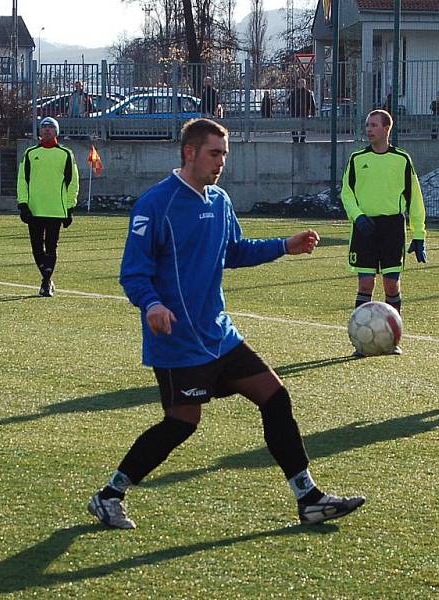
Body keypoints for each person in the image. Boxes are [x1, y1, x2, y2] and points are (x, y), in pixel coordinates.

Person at [87, 118, 365, 529]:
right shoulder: (155, 205)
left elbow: (233, 251)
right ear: (190, 152)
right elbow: (134, 273)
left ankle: (308, 497)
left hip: (219, 334)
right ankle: (110, 495)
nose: (220, 163)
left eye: (224, 155)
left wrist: (283, 247)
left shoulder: (219, 201)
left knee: (275, 396)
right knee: (182, 423)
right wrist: (152, 306)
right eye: (214, 153)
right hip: (178, 340)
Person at [340, 109, 427, 355]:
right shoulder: (357, 159)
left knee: (391, 285)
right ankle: (361, 343)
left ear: (387, 128)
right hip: (364, 228)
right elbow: (346, 193)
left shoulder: (402, 159)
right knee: (365, 283)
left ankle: (392, 341)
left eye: (374, 125)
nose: (369, 129)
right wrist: (358, 218)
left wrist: (419, 234)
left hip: (392, 229)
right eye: (367, 125)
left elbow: (415, 199)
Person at [17, 116, 79, 297]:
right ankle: (47, 278)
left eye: (50, 127)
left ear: (56, 131)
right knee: (37, 248)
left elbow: (72, 182)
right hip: (34, 209)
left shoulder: (66, 154)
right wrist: (23, 204)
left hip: (56, 210)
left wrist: (69, 207)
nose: (47, 130)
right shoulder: (30, 153)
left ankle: (45, 282)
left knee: (51, 247)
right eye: (44, 127)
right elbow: (23, 180)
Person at [288, 78, 316, 143]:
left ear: (304, 84)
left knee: (303, 127)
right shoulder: (294, 92)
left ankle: (302, 139)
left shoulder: (308, 93)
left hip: (304, 112)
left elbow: (311, 104)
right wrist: (291, 109)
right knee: (294, 127)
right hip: (295, 112)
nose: (299, 84)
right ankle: (295, 139)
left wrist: (312, 113)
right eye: (298, 83)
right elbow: (289, 102)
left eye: (301, 83)